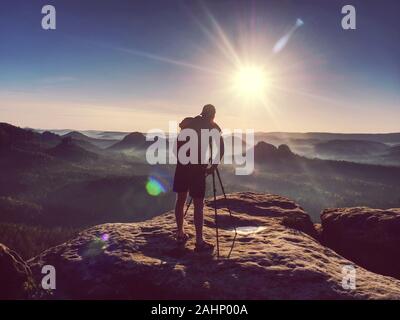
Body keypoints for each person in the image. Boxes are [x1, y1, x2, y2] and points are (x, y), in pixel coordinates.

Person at [173, 104, 224, 252]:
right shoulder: (211, 126)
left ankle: (180, 233)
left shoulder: (188, 124)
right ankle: (199, 241)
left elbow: (177, 145)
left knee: (181, 199)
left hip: (182, 166)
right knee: (198, 204)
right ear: (213, 114)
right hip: (198, 169)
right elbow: (220, 148)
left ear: (202, 112)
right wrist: (212, 167)